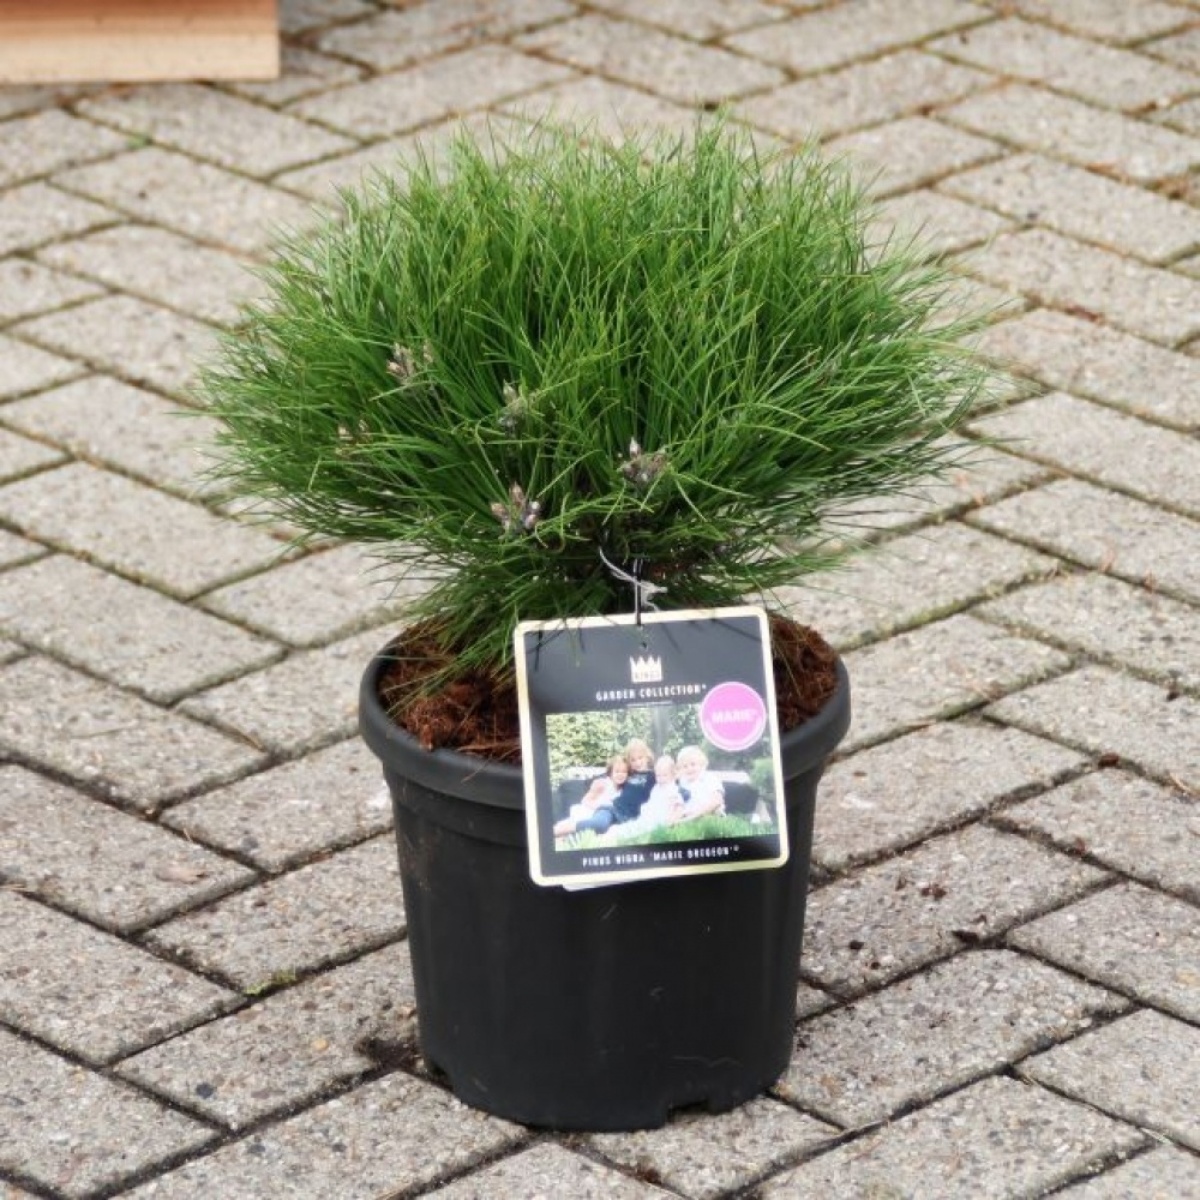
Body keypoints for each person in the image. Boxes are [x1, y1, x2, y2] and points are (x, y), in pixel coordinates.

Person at [554, 754, 627, 837]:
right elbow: (585, 801)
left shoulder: (625, 788)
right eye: (617, 771)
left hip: (607, 816)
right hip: (591, 811)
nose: (620, 774)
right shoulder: (602, 783)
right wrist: (599, 806)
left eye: (624, 772)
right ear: (610, 773)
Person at [625, 755, 688, 834]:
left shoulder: (672, 789)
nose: (661, 779)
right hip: (650, 815)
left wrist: (672, 820)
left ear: (673, 775)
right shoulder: (656, 787)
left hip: (662, 817)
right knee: (633, 826)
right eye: (658, 776)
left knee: (639, 829)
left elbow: (679, 807)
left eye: (665, 775)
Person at [610, 738, 655, 825]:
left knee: (602, 822)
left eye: (640, 758)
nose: (637, 763)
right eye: (633, 760)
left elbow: (668, 780)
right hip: (615, 808)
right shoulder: (629, 774)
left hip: (631, 815)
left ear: (647, 757)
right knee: (602, 817)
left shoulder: (653, 775)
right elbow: (614, 777)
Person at [674, 745, 725, 819]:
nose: (689, 768)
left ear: (702, 764)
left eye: (693, 764)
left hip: (710, 814)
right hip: (688, 816)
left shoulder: (709, 778)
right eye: (685, 766)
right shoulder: (683, 782)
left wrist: (696, 815)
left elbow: (717, 800)